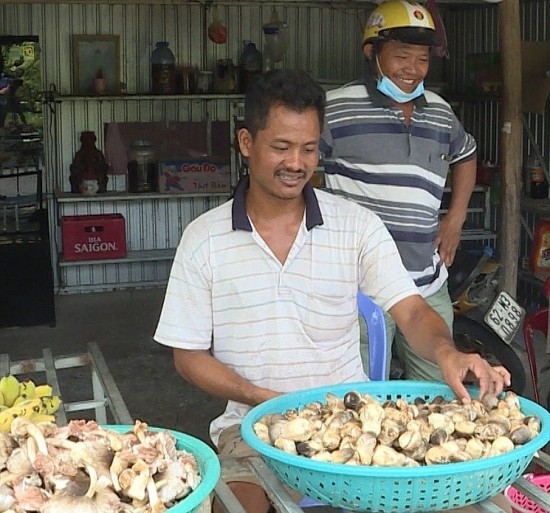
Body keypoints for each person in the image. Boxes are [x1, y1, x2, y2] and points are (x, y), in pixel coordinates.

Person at [154, 69, 508, 513]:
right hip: (251, 428)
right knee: (233, 505)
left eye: (308, 149)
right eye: (280, 147)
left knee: (475, 504)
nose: (297, 163)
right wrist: (261, 399)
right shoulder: (204, 239)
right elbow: (187, 356)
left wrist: (447, 353)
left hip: (357, 423)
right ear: (246, 143)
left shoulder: (356, 226)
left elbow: (413, 311)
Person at [320, 0, 477, 382]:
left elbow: (466, 155)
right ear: (371, 53)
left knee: (439, 390)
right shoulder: (336, 108)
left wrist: (454, 220)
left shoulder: (440, 111)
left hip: (426, 282)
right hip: (358, 289)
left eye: (421, 59)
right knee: (357, 397)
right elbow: (301, 167)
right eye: (401, 56)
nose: (412, 69)